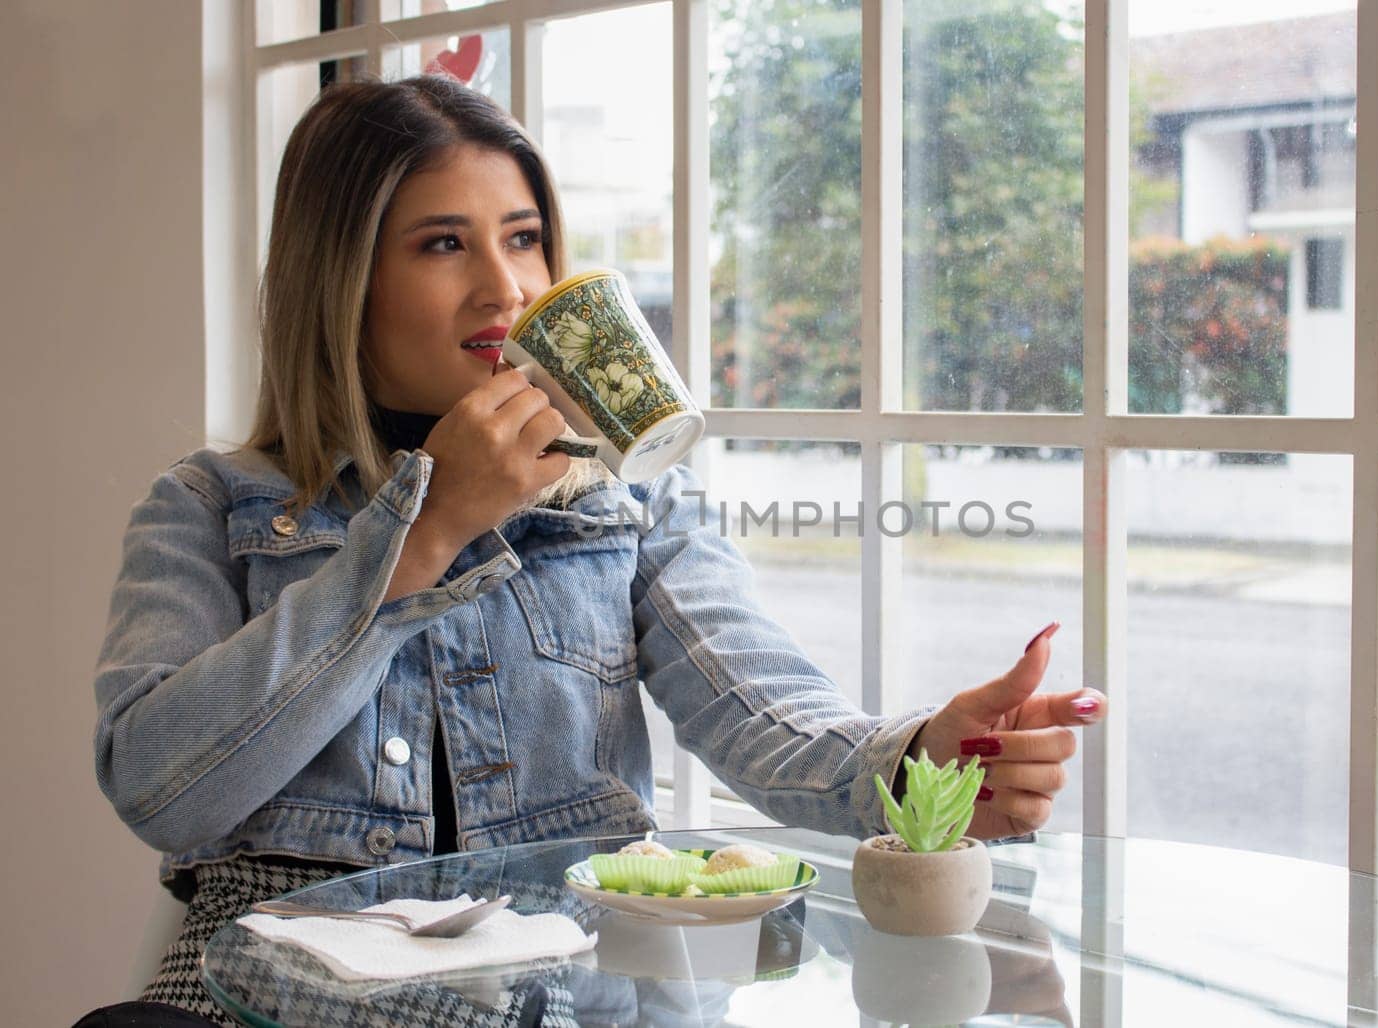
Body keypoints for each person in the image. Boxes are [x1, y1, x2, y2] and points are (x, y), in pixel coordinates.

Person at [82, 73, 1106, 1026]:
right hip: (276, 984)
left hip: (555, 982)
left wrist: (928, 752)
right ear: (342, 280)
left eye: (523, 238)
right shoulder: (211, 506)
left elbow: (761, 717)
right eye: (444, 244)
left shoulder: (630, 497)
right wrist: (423, 534)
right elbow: (164, 792)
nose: (503, 286)